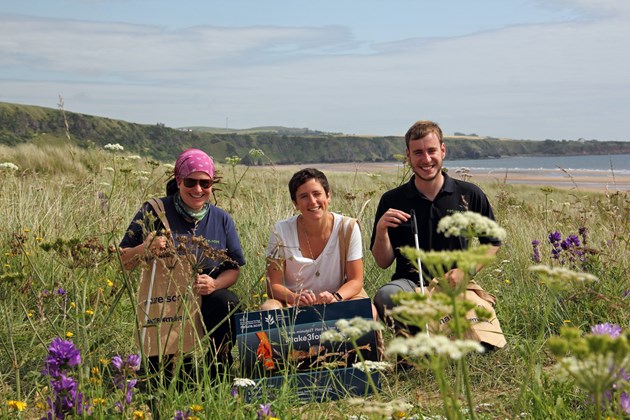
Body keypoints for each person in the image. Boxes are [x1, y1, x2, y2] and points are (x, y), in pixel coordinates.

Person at [119, 148, 246, 383]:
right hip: (166, 300)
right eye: (190, 181)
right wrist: (143, 248)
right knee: (168, 381)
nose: (198, 189)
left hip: (206, 296)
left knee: (228, 303)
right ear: (178, 181)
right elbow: (124, 260)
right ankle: (170, 363)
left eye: (205, 183)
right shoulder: (153, 211)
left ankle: (219, 366)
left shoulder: (221, 218)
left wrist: (215, 283)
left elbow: (234, 268)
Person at [370, 120, 501, 339]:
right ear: (408, 156)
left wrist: (465, 271)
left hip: (455, 287)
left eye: (431, 151)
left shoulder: (469, 194)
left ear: (442, 150)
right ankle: (416, 346)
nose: (426, 159)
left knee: (482, 345)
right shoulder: (392, 199)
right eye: (418, 152)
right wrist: (382, 229)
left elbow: (493, 243)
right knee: (386, 295)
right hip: (411, 286)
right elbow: (382, 262)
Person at [261, 168, 377, 319]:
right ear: (295, 203)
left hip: (338, 299)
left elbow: (356, 280)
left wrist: (336, 297)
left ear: (328, 196)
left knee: (369, 311)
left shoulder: (348, 228)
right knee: (268, 309)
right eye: (304, 196)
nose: (312, 201)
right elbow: (273, 285)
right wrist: (295, 298)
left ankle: (362, 343)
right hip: (294, 303)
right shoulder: (281, 230)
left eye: (317, 194)